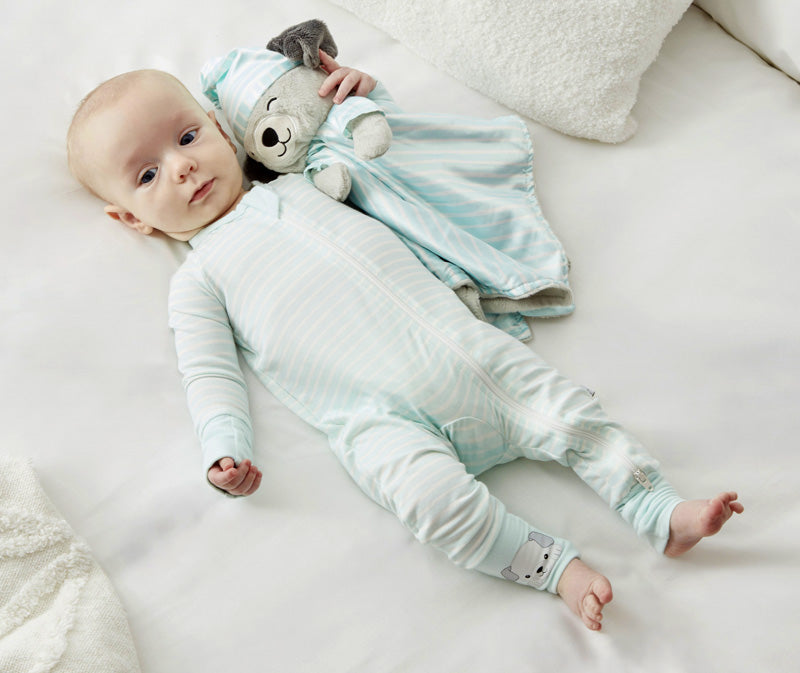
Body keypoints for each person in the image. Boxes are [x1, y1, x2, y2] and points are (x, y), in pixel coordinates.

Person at [66, 59, 743, 632]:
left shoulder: (305, 181)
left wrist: (361, 93)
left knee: (572, 415)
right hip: (377, 420)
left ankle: (658, 507)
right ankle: (553, 566)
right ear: (130, 219)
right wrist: (224, 446)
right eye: (147, 175)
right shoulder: (198, 279)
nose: (181, 167)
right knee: (433, 505)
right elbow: (206, 371)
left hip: (466, 356)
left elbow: (389, 156)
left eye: (186, 136)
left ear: (219, 127)